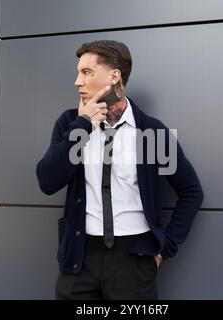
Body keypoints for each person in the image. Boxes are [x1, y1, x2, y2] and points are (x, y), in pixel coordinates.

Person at [36, 40, 204, 300]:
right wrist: (83, 125)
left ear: (114, 76)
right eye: (79, 72)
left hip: (134, 259)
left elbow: (191, 191)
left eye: (86, 72)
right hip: (79, 258)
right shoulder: (70, 123)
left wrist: (164, 248)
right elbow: (47, 181)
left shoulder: (151, 133)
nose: (77, 81)